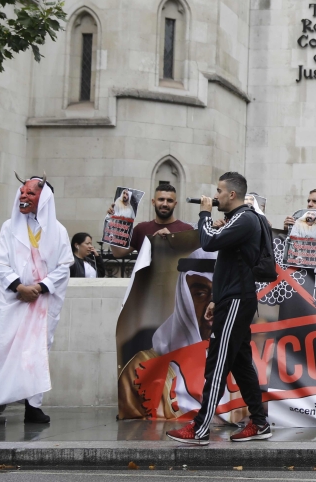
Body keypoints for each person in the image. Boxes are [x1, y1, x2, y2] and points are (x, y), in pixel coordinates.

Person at [167, 172, 271, 445]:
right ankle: (259, 423)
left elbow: (209, 242)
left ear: (232, 195)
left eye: (219, 191)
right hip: (231, 298)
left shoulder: (245, 219)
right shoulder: (238, 220)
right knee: (239, 363)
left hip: (237, 300)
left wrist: (203, 215)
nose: (215, 196)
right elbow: (229, 263)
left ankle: (200, 429)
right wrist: (216, 298)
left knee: (218, 362)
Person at [0, 175, 73, 428]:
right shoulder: (9, 227)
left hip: (41, 305)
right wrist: (18, 287)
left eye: (30, 193)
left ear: (44, 199)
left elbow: (64, 267)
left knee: (35, 354)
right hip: (12, 300)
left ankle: (33, 408)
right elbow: (0, 262)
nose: (23, 197)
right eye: (22, 192)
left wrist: (39, 288)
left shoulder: (59, 231)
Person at [118, 252, 215, 419]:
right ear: (184, 298)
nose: (212, 309)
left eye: (223, 295)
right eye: (200, 294)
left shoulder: (245, 362)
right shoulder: (141, 367)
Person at [109, 184, 193, 258]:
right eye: (161, 199)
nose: (165, 204)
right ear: (153, 202)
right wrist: (113, 223)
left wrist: (172, 239)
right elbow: (118, 253)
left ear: (175, 204)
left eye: (169, 201)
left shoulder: (187, 230)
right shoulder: (141, 229)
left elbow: (192, 260)